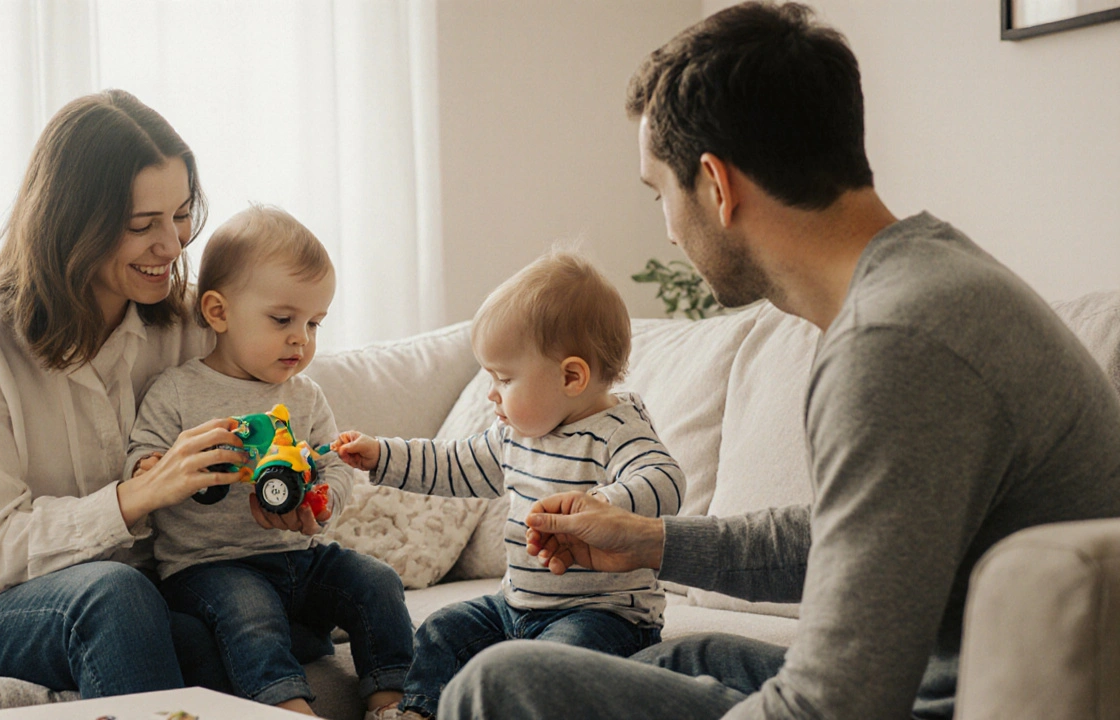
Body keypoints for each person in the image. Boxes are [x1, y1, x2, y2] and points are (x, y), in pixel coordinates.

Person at [438, 3, 1120, 720]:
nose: (668, 230)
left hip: (939, 703)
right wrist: (648, 541)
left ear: (716, 185)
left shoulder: (897, 344)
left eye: (660, 193)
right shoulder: (927, 279)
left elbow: (831, 705)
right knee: (683, 657)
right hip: (928, 679)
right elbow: (848, 537)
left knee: (500, 682)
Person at [0, 89, 244, 696]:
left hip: (142, 601)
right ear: (74, 224)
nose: (172, 245)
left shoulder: (191, 325)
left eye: (181, 214)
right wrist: (133, 498)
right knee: (115, 593)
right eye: (142, 225)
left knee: (239, 624)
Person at [335, 250, 686, 719]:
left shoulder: (618, 431)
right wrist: (384, 455)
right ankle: (418, 712)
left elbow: (665, 481)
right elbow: (453, 463)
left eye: (504, 378)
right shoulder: (514, 435)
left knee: (544, 668)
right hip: (515, 605)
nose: (491, 393)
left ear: (571, 376)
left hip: (605, 615)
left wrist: (604, 503)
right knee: (441, 629)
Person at [125, 204, 415, 718]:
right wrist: (150, 467)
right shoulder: (176, 390)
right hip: (209, 566)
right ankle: (286, 705)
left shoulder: (304, 395)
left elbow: (333, 463)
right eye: (283, 319)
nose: (301, 337)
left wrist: (322, 505)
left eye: (314, 323)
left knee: (376, 580)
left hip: (300, 554)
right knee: (250, 611)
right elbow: (141, 457)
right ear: (219, 312)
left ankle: (391, 699)